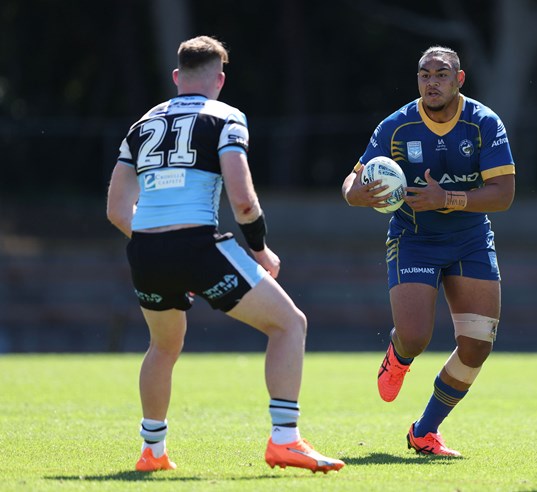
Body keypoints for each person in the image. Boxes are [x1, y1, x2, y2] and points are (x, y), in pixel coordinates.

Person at [106, 35, 344, 474]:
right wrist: (261, 251)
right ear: (220, 79)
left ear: (177, 77)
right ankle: (285, 441)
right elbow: (244, 200)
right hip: (196, 244)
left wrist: (156, 244)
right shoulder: (226, 116)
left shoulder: (141, 125)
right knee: (289, 325)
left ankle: (152, 451)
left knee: (163, 346)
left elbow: (117, 210)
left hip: (145, 248)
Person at [341, 46, 515, 456]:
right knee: (416, 337)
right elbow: (350, 186)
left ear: (459, 79)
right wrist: (360, 195)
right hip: (414, 238)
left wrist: (446, 198)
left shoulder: (483, 123)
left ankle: (424, 431)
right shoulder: (396, 127)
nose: (432, 82)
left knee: (477, 345)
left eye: (441, 74)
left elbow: (504, 195)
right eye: (424, 75)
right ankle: (398, 356)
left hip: (470, 239)